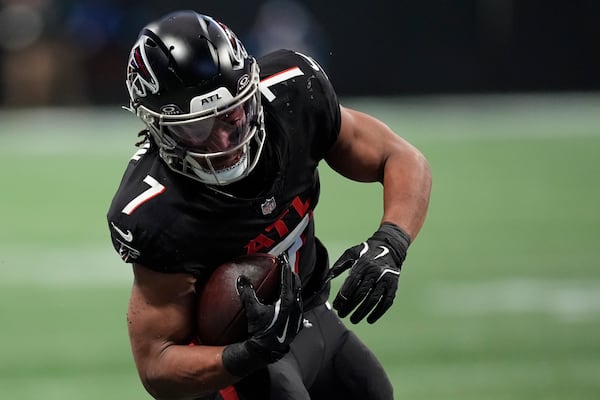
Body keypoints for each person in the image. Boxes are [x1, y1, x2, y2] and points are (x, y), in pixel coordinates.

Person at [107, 10, 431, 400]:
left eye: (232, 114)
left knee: (371, 391)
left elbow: (400, 157)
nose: (225, 142)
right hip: (231, 359)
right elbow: (156, 365)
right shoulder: (155, 209)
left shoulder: (293, 94)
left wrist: (391, 241)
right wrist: (247, 353)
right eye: (197, 128)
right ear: (158, 126)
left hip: (314, 314)